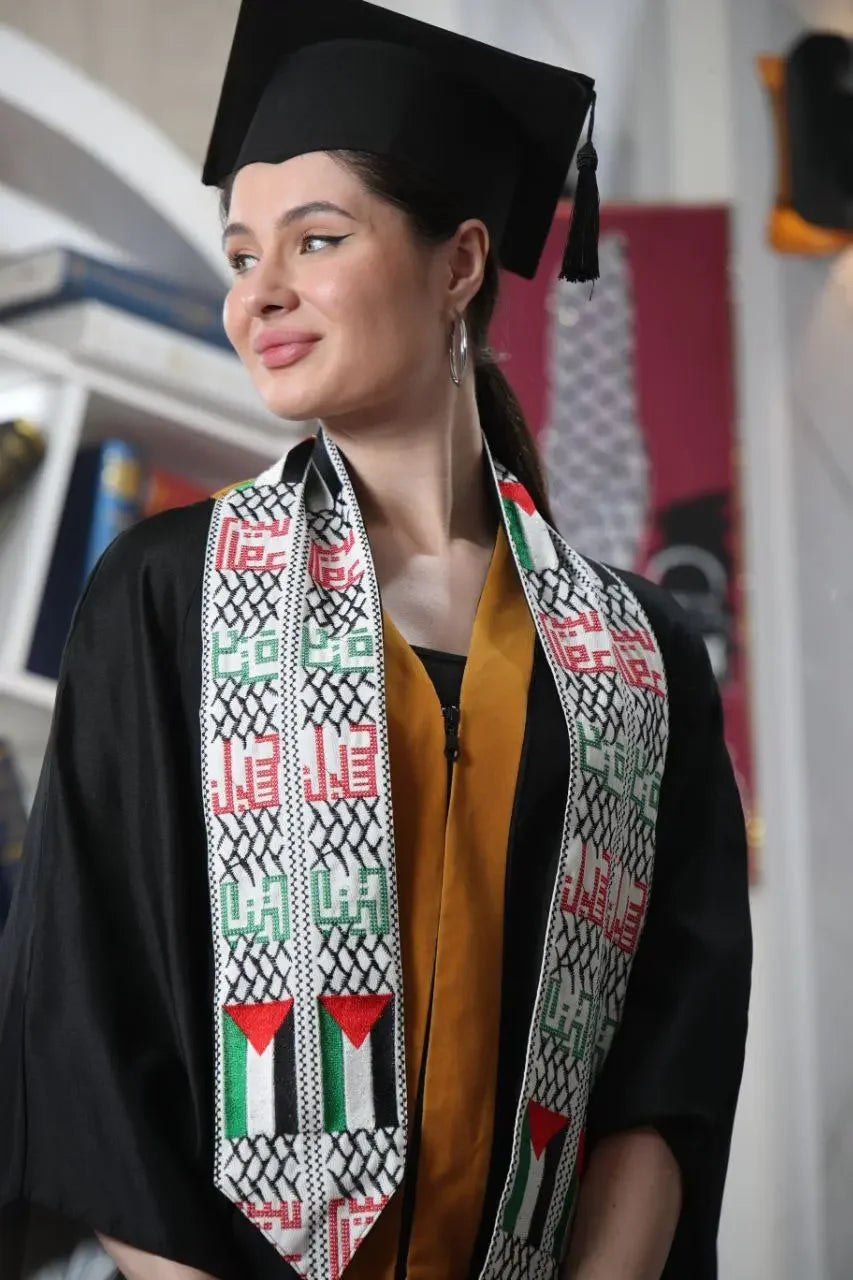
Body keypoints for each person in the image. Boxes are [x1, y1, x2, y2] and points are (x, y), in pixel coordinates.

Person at [0, 1, 752, 1278]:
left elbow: (662, 1068)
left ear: (460, 264)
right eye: (242, 256)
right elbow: (90, 1027)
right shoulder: (164, 601)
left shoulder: (638, 656)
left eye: (318, 238)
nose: (261, 296)